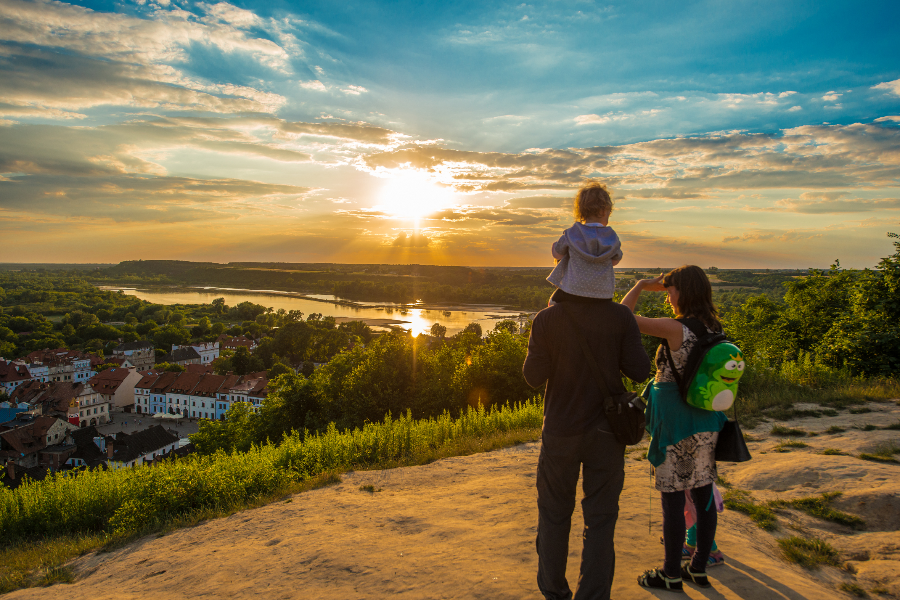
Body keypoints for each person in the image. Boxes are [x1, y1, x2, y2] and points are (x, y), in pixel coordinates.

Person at [523, 282, 651, 600]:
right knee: (601, 518)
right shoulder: (620, 316)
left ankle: (555, 593)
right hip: (607, 431)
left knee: (553, 514)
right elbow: (639, 370)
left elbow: (533, 376)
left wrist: (550, 328)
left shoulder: (547, 319)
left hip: (561, 430)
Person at [621, 266, 728, 592]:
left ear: (684, 291)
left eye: (671, 291)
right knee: (702, 493)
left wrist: (639, 285)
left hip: (677, 428)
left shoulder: (676, 329)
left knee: (672, 498)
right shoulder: (713, 327)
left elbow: (622, 318)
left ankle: (669, 573)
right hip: (707, 423)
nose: (668, 297)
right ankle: (697, 568)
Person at [547, 181, 622, 302]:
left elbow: (557, 254)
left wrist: (555, 246)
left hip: (573, 290)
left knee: (553, 304)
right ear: (603, 211)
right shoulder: (612, 236)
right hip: (604, 293)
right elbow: (615, 260)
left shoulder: (572, 233)